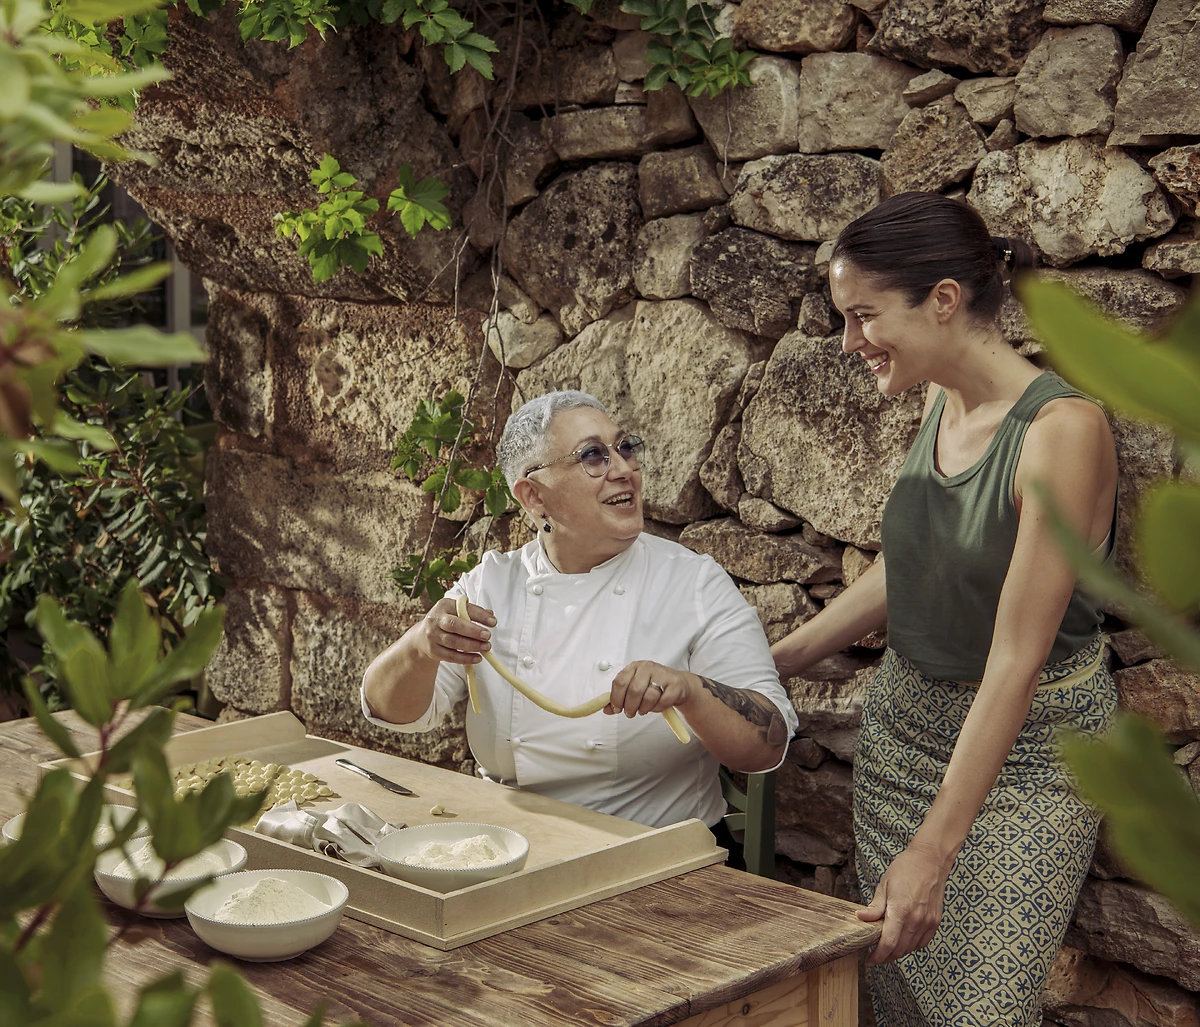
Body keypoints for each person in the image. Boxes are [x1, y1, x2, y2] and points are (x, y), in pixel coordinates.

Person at [770, 193, 1118, 1026]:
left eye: (862, 316)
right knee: (895, 999)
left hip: (1032, 753)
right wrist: (775, 659)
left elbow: (1016, 659)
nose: (849, 341)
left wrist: (933, 848)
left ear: (945, 299)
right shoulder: (938, 401)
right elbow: (912, 566)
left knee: (981, 1013)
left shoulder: (1061, 432)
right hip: (903, 735)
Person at [362, 390, 798, 831]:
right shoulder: (490, 586)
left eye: (624, 448)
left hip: (654, 857)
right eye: (593, 456)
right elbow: (389, 711)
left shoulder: (693, 583)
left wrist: (689, 690)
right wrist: (421, 645)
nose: (624, 469)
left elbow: (768, 744)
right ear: (533, 497)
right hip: (510, 848)